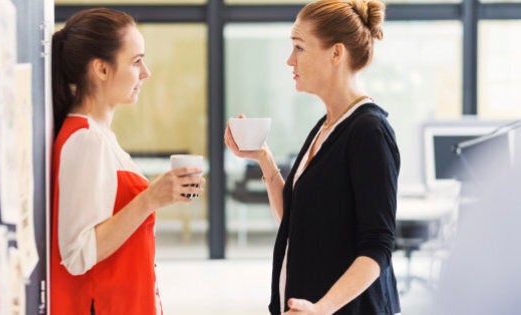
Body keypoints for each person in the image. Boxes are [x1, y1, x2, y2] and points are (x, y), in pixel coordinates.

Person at [224, 0, 401, 314]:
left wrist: (323, 308)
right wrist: (263, 158)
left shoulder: (369, 132)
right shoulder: (327, 125)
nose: (289, 60)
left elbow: (378, 247)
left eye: (299, 48)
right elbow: (294, 222)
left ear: (336, 53)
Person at [50, 8, 204, 315]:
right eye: (136, 61)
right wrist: (149, 200)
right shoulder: (86, 140)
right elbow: (77, 254)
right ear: (102, 70)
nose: (146, 72)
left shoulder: (99, 136)